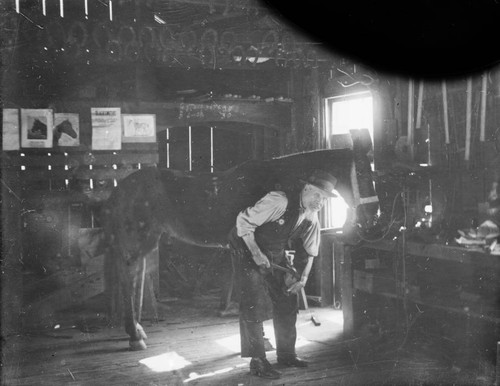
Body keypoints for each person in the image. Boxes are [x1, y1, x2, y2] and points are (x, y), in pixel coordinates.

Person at [228, 169, 338, 379]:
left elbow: (310, 250)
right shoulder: (279, 201)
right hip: (245, 246)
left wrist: (302, 278)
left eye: (324, 199)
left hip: (273, 252)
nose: (319, 202)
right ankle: (258, 361)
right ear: (306, 188)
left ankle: (287, 354)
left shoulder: (311, 215)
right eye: (317, 195)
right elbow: (242, 222)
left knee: (288, 296)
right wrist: (256, 253)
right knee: (254, 300)